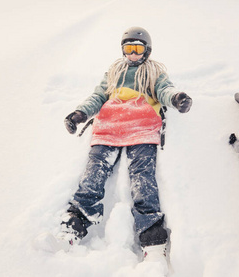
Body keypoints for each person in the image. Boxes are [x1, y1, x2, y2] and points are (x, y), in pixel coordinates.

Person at [57, 27, 192, 259]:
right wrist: (80, 114)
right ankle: (76, 221)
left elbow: (164, 90)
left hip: (141, 125)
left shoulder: (153, 72)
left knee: (142, 175)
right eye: (128, 49)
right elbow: (98, 96)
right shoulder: (114, 71)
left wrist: (176, 98)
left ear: (147, 51)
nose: (132, 54)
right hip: (111, 125)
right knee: (95, 169)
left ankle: (151, 233)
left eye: (137, 49)